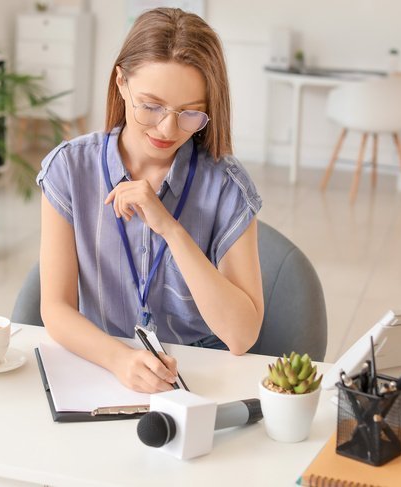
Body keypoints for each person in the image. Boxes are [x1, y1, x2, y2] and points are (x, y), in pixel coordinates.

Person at [37, 8, 264, 394]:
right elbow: (55, 309)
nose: (167, 129)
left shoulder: (226, 185)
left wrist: (171, 230)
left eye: (190, 113)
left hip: (197, 378)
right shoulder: (69, 169)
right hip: (103, 367)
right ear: (121, 82)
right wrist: (118, 360)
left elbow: (242, 336)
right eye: (151, 106)